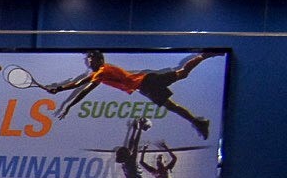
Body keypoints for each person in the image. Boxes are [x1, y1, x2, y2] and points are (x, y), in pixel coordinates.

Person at [38, 50, 220, 140]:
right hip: (145, 88)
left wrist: (65, 98)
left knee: (182, 74)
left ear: (99, 60)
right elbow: (81, 87)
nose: (88, 62)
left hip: (148, 82)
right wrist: (62, 94)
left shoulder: (101, 71)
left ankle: (204, 55)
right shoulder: (99, 75)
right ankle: (198, 122)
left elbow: (81, 87)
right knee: (173, 106)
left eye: (91, 59)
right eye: (88, 60)